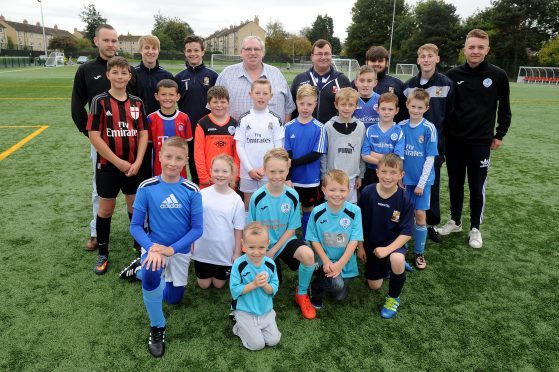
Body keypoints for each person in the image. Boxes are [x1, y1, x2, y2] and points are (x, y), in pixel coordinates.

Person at [119, 137, 203, 357]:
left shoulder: (192, 190)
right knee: (152, 273)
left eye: (178, 158)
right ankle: (157, 326)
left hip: (179, 250)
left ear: (185, 160)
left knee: (173, 299)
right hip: (154, 248)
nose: (172, 163)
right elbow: (136, 226)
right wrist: (153, 248)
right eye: (168, 156)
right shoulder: (147, 187)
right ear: (160, 156)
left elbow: (197, 230)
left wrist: (171, 250)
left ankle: (138, 270)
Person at [440, 29, 512, 249]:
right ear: (464, 50)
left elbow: (505, 108)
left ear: (487, 50)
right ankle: (455, 221)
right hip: (454, 141)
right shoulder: (452, 75)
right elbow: (444, 108)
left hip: (481, 142)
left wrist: (500, 134)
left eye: (480, 47)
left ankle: (475, 229)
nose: (475, 51)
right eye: (471, 47)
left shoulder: (498, 75)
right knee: (455, 182)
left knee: (477, 185)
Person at [86, 56, 148, 275]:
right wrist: (117, 161)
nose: (120, 76)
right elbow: (94, 135)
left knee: (134, 205)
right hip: (108, 166)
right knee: (106, 208)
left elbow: (143, 133)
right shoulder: (99, 101)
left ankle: (138, 244)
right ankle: (103, 252)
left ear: (129, 76)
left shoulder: (137, 103)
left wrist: (138, 161)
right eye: (116, 72)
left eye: (124, 73)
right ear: (108, 75)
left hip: (132, 165)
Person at [248, 148, 317, 320]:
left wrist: (274, 251)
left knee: (308, 256)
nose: (277, 175)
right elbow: (252, 230)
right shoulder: (257, 197)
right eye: (272, 171)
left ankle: (301, 294)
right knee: (270, 290)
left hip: (284, 242)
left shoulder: (292, 195)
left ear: (287, 170)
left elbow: (292, 229)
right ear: (264, 169)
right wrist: (264, 252)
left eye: (281, 171)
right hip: (263, 247)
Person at [71, 24, 120, 251]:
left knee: (135, 188)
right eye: (106, 40)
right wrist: (90, 134)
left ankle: (140, 232)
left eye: (114, 40)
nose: (111, 44)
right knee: (98, 188)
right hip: (100, 141)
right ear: (96, 41)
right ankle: (95, 232)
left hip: (126, 139)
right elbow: (76, 105)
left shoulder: (126, 68)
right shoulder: (87, 70)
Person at [401, 43, 454, 244]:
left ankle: (430, 225)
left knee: (431, 187)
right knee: (406, 191)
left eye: (430, 56)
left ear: (437, 59)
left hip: (433, 149)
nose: (426, 59)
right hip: (410, 150)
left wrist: (444, 147)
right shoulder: (408, 86)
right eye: (422, 56)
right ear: (418, 60)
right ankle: (406, 227)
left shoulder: (447, 84)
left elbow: (450, 117)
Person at [357, 154, 413, 319]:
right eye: (384, 171)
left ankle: (393, 298)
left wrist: (388, 250)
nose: (388, 177)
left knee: (396, 259)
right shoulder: (367, 192)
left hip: (393, 242)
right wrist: (360, 247)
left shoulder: (404, 199)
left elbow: (407, 232)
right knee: (374, 286)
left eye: (393, 173)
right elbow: (357, 223)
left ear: (401, 175)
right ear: (377, 172)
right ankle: (392, 263)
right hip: (372, 244)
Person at [306, 170, 363, 309]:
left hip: (345, 261)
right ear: (324, 190)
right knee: (337, 284)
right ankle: (315, 287)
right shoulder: (317, 212)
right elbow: (313, 239)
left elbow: (354, 240)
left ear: (349, 190)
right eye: (332, 190)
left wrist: (340, 264)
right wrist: (325, 261)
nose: (337, 194)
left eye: (342, 190)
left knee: (339, 296)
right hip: (324, 259)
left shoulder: (355, 211)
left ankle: (330, 278)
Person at [399, 88, 438, 269]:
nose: (415, 110)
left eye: (420, 107)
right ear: (407, 105)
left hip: (422, 182)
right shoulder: (401, 127)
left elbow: (430, 158)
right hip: (403, 181)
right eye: (413, 106)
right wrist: (398, 177)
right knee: (401, 216)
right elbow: (397, 155)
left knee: (420, 215)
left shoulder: (429, 128)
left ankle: (419, 252)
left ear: (426, 108)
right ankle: (401, 249)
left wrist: (422, 183)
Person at [193, 155, 245, 289]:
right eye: (216, 171)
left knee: (218, 284)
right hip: (202, 250)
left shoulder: (236, 200)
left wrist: (237, 253)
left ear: (232, 173)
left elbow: (238, 229)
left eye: (224, 171)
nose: (220, 175)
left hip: (224, 251)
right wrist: (191, 243)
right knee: (203, 285)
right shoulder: (202, 194)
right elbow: (193, 222)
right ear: (210, 171)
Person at [215, 35, 295, 122]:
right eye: (248, 49)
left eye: (256, 49)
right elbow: (214, 106)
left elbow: (289, 107)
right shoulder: (226, 74)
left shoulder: (276, 74)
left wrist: (283, 132)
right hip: (235, 134)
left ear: (263, 53)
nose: (252, 52)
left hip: (274, 134)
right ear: (241, 52)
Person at [284, 85, 328, 238]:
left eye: (309, 104)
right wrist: (288, 177)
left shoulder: (320, 128)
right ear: (296, 102)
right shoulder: (288, 127)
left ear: (315, 104)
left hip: (310, 180)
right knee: (290, 209)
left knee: (308, 209)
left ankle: (306, 238)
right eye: (302, 103)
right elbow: (286, 154)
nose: (305, 108)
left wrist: (292, 163)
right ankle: (289, 239)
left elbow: (316, 154)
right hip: (292, 180)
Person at [234, 79, 285, 210]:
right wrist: (250, 169)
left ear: (271, 96)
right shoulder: (244, 119)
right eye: (257, 93)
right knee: (249, 205)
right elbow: (239, 146)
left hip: (269, 172)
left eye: (265, 93)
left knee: (268, 205)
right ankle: (250, 230)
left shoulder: (275, 119)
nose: (261, 96)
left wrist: (265, 168)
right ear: (250, 94)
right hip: (248, 172)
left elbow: (278, 149)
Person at [230, 222, 281, 351]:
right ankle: (239, 326)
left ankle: (262, 323)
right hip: (245, 310)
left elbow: (274, 288)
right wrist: (254, 284)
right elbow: (234, 290)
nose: (256, 252)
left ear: (268, 244)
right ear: (243, 244)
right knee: (257, 345)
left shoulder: (270, 264)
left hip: (265, 310)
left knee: (274, 340)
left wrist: (265, 285)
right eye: (251, 247)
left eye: (261, 247)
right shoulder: (238, 264)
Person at [175, 35, 218, 185]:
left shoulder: (212, 76)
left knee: (212, 163)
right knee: (193, 164)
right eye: (189, 50)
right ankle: (195, 191)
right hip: (187, 130)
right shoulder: (179, 77)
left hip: (209, 129)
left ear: (202, 52)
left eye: (196, 50)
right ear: (185, 52)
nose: (192, 53)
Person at [320, 87, 365, 203]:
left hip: (351, 179)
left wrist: (360, 175)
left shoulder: (360, 127)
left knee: (349, 212)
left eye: (350, 105)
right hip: (332, 178)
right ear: (336, 105)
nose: (346, 108)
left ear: (356, 106)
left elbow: (362, 153)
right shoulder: (328, 127)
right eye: (343, 104)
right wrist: (324, 175)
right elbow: (323, 153)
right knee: (332, 210)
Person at [290, 39, 351, 124]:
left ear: (331, 56)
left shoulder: (342, 80)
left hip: (333, 134)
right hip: (306, 133)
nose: (323, 57)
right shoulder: (299, 79)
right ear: (312, 57)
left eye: (326, 54)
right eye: (319, 54)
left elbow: (351, 107)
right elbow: (290, 108)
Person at [193, 86, 239, 189]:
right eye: (215, 102)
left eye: (222, 102)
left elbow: (237, 153)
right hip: (209, 178)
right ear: (209, 104)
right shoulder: (202, 124)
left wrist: (234, 176)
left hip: (228, 177)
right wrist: (203, 176)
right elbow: (198, 152)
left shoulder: (234, 124)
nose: (219, 105)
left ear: (228, 103)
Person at [147, 79, 193, 178]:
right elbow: (148, 148)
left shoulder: (184, 118)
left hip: (180, 171)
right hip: (158, 171)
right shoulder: (150, 119)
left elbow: (189, 145)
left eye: (171, 95)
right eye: (163, 94)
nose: (167, 98)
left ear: (178, 97)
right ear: (156, 96)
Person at [361, 93, 405, 189]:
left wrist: (373, 154)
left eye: (390, 109)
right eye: (383, 109)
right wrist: (388, 158)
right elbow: (364, 155)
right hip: (371, 172)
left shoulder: (399, 131)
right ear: (377, 109)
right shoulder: (370, 129)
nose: (386, 112)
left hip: (390, 175)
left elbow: (397, 159)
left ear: (396, 111)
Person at [134, 35, 174, 115]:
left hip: (160, 121)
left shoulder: (167, 76)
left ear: (158, 51)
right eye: (147, 48)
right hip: (138, 121)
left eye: (154, 48)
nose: (151, 51)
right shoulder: (133, 74)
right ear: (140, 50)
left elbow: (172, 101)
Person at [353, 65, 380, 130]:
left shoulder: (381, 100)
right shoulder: (351, 99)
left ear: (375, 83)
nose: (365, 85)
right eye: (362, 81)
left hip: (374, 139)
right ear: (356, 82)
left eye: (369, 81)